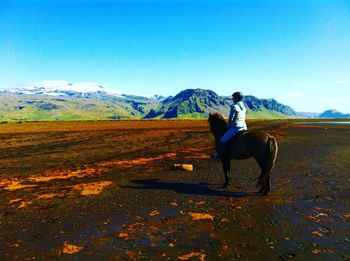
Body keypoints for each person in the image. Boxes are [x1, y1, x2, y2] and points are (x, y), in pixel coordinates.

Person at [214, 91, 247, 161]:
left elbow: (231, 119)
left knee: (222, 140)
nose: (232, 99)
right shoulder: (243, 107)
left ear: (237, 98)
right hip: (244, 127)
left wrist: (227, 126)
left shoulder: (234, 106)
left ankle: (221, 156)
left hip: (236, 128)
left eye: (233, 97)